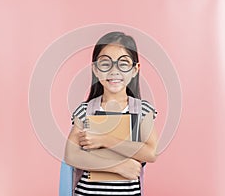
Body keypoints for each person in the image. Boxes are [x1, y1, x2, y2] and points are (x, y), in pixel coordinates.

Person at [64, 31, 158, 196]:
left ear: (135, 69)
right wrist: (118, 167)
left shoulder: (142, 110)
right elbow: (71, 155)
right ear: (95, 69)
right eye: (105, 63)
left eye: (123, 64)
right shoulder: (86, 110)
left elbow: (150, 153)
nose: (114, 71)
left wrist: (103, 139)